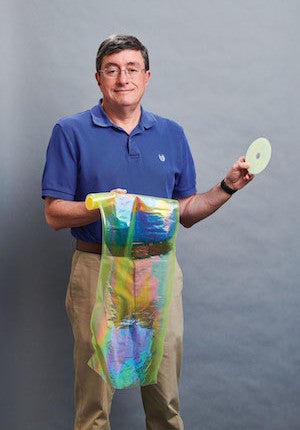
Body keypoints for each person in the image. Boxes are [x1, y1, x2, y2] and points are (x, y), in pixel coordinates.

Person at [41, 34, 254, 430]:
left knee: (165, 400)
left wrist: (225, 188)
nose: (123, 78)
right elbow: (53, 213)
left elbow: (185, 212)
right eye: (112, 69)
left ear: (147, 76)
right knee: (93, 401)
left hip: (158, 271)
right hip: (96, 270)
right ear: (98, 78)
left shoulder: (171, 133)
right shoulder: (70, 131)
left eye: (132, 68)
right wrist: (99, 204)